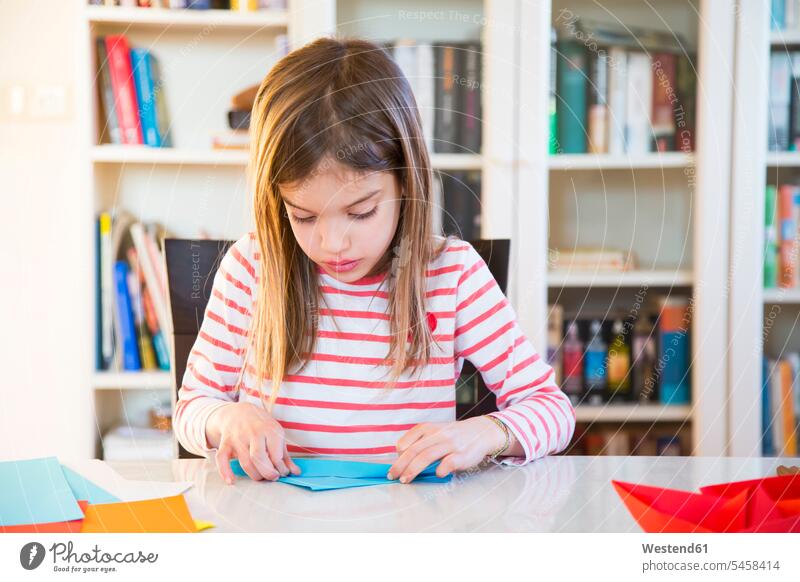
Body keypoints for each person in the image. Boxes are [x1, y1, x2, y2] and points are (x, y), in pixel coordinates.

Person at [174, 37, 575, 486]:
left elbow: (552, 410)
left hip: (410, 525)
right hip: (278, 523)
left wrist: (486, 433)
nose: (332, 244)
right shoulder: (252, 269)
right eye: (303, 216)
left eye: (361, 212)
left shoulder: (451, 274)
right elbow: (191, 408)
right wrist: (226, 419)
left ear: (406, 182)